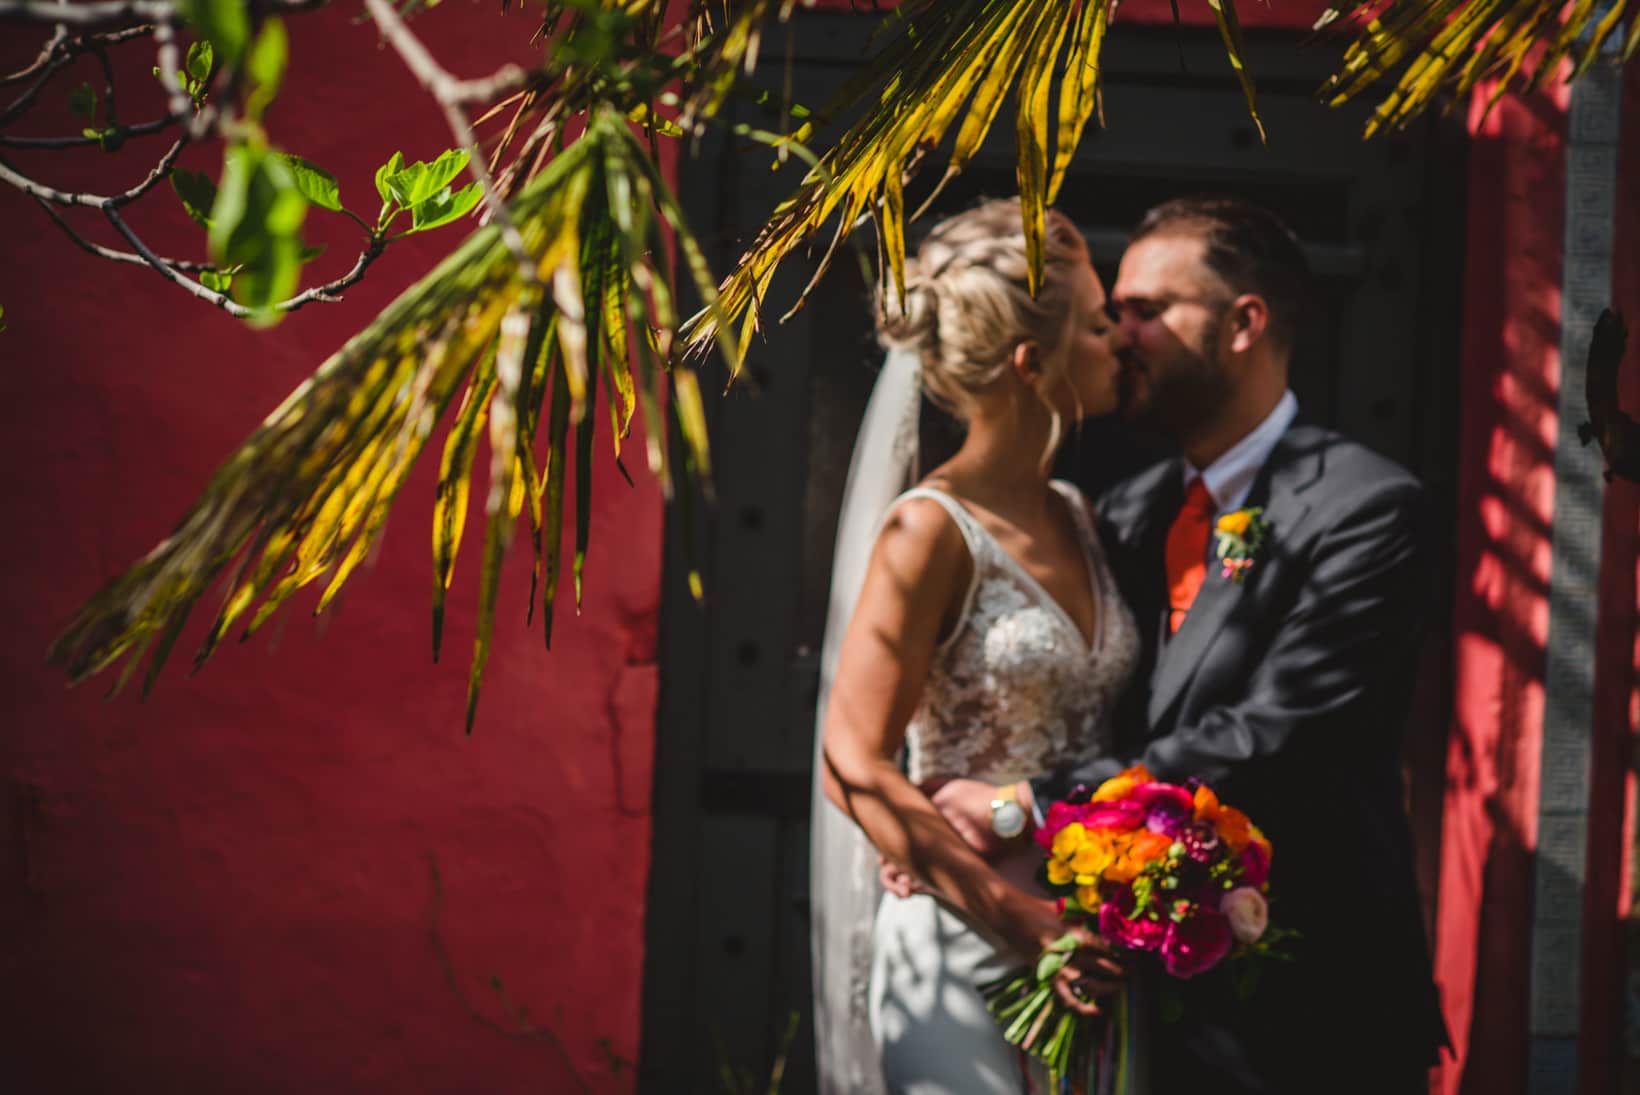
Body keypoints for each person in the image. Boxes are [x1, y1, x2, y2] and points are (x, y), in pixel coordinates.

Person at [917, 195, 1449, 1095]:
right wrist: (929, 824)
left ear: (1244, 323)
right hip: (1134, 1003)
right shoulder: (1120, 515)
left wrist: (1018, 805)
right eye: (1113, 312)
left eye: (1148, 311)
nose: (1119, 335)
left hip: (1314, 1016)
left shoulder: (1367, 508)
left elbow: (1274, 738)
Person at [811, 197, 1140, 1094]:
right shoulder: (930, 531)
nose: (1120, 341)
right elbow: (851, 760)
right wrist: (1015, 916)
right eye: (1102, 323)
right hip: (960, 940)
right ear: (1034, 362)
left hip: (1084, 945)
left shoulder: (1078, 514)